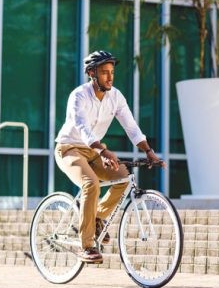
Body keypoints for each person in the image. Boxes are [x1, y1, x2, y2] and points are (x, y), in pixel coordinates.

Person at [54, 50, 163, 264]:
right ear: (91, 73)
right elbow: (82, 127)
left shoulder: (116, 97)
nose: (110, 77)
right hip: (69, 149)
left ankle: (96, 218)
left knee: (123, 178)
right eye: (104, 72)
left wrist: (148, 151)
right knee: (90, 183)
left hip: (94, 151)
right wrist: (103, 150)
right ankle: (87, 245)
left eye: (112, 72)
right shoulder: (79, 95)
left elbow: (131, 126)